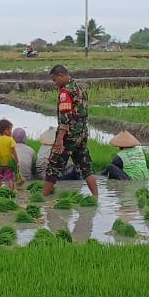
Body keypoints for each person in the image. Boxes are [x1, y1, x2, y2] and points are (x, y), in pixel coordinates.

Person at [43, 65, 100, 199]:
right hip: (82, 133)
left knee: (53, 165)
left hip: (68, 135)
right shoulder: (80, 89)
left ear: (61, 75)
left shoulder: (65, 92)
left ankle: (42, 200)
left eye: (55, 79)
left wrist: (59, 139)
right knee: (85, 165)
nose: (54, 83)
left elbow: (65, 117)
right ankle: (96, 197)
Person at [0, 118, 17, 188]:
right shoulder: (11, 139)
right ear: (6, 130)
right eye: (10, 129)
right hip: (9, 164)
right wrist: (17, 162)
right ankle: (11, 191)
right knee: (10, 178)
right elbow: (14, 152)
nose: (11, 132)